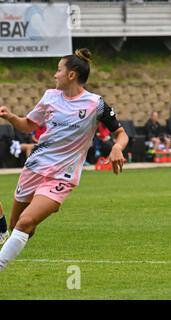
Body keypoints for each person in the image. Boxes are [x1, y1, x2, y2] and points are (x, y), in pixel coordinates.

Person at [0, 48, 129, 272]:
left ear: (71, 75)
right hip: (34, 168)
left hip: (63, 176)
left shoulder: (95, 104)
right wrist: (11, 117)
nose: (55, 75)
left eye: (59, 70)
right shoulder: (50, 97)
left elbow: (121, 133)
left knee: (25, 223)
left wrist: (117, 147)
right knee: (18, 226)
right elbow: (29, 125)